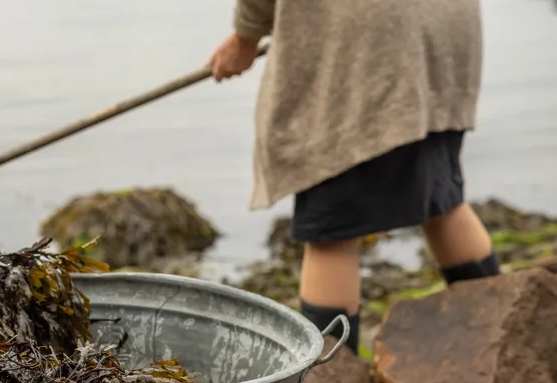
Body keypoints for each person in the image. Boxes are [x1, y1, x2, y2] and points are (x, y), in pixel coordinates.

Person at [206, 0, 500, 353]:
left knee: (332, 232)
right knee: (442, 199)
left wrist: (246, 36)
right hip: (443, 28)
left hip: (368, 43)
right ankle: (506, 344)